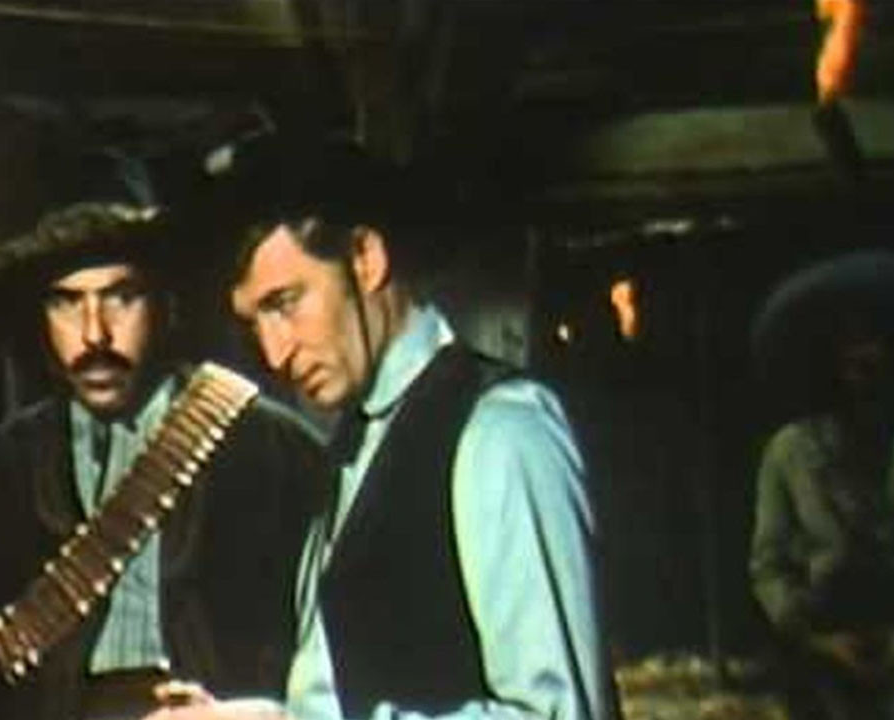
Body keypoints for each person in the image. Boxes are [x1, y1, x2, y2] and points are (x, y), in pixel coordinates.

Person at [150, 138, 615, 720]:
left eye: (285, 303)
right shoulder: (352, 447)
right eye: (254, 323)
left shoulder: (500, 432)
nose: (274, 352)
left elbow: (559, 715)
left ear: (366, 258)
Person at [0, 201, 327, 720]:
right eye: (66, 303)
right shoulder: (2, 470)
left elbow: (324, 656)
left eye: (121, 297)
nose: (94, 334)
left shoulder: (268, 448)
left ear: (165, 306)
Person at [749, 249, 894, 720]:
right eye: (849, 345)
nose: (863, 360)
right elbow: (769, 565)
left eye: (875, 342)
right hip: (822, 648)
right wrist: (817, 640)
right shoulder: (791, 452)